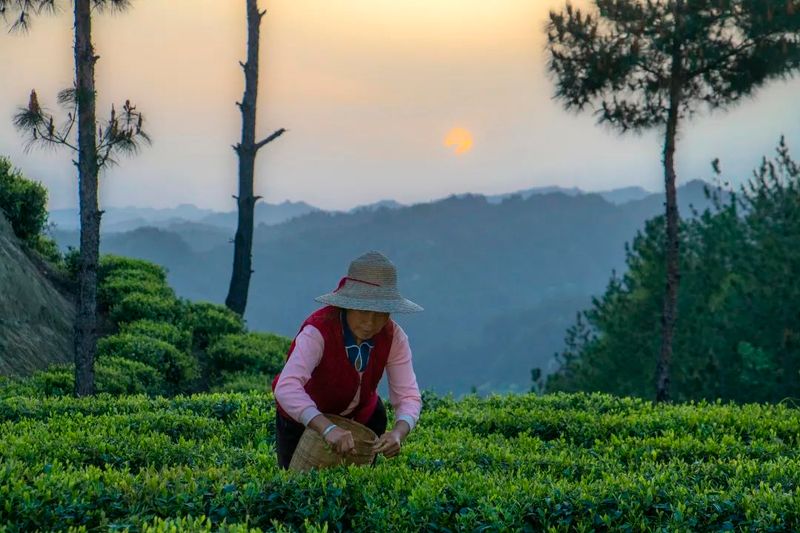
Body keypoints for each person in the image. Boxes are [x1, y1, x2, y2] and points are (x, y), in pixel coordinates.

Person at [272, 250, 424, 469]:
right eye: (364, 311)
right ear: (348, 305)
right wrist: (327, 428)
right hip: (302, 420)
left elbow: (408, 394)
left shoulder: (394, 337)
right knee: (297, 489)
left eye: (381, 313)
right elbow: (287, 387)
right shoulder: (318, 331)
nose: (371, 322)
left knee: (357, 491)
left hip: (363, 417)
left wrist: (399, 432)